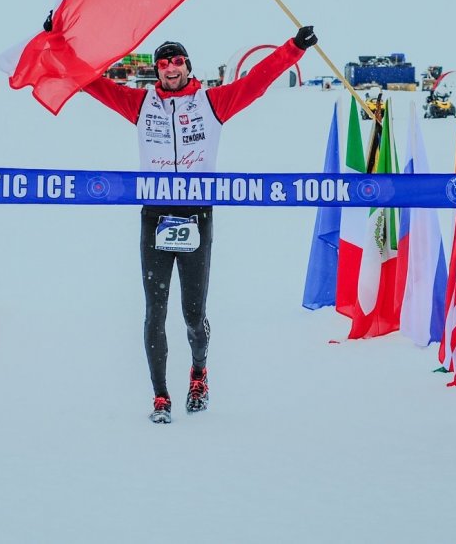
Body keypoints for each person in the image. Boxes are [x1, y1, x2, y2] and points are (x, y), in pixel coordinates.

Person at [77, 27, 316, 423]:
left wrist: (293, 49)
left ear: (188, 66)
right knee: (155, 311)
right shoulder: (140, 105)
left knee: (192, 314)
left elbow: (256, 83)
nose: (171, 69)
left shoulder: (211, 102)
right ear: (156, 71)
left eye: (178, 61)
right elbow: (90, 82)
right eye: (164, 63)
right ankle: (160, 397)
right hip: (155, 215)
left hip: (196, 215)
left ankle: (199, 372)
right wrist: (57, 46)